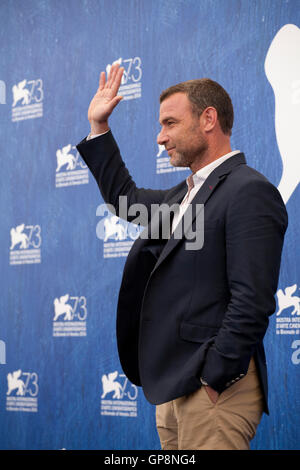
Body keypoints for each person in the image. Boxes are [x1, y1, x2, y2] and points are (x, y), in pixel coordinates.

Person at [77, 64, 288, 450]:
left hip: (215, 392)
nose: (161, 137)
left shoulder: (248, 192)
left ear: (209, 119)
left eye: (170, 123)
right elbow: (127, 201)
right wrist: (99, 129)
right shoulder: (186, 195)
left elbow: (252, 300)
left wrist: (215, 375)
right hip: (175, 389)